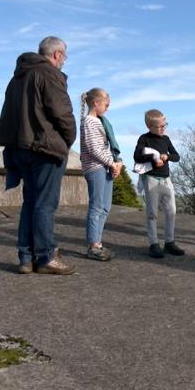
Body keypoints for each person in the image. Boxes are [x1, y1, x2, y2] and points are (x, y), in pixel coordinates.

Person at [0, 36, 76, 275]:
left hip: (20, 148)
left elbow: (7, 114)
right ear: (57, 54)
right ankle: (47, 256)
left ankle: (26, 258)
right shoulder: (48, 74)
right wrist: (67, 141)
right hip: (44, 149)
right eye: (65, 56)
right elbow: (62, 114)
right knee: (45, 205)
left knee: (30, 203)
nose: (64, 61)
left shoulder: (17, 77)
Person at [133, 109, 185, 259]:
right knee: (152, 213)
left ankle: (169, 242)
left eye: (165, 125)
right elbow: (137, 156)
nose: (163, 128)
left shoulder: (166, 139)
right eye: (160, 126)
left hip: (166, 179)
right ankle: (154, 244)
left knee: (171, 211)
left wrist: (166, 156)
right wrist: (153, 157)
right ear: (150, 126)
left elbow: (176, 156)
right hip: (150, 179)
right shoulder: (144, 138)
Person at [80, 88, 123, 261]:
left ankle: (98, 242)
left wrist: (115, 164)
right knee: (97, 206)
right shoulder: (90, 122)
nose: (107, 108)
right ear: (95, 103)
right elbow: (95, 149)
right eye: (106, 104)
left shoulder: (99, 121)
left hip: (105, 167)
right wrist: (113, 163)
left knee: (105, 207)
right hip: (96, 168)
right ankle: (93, 245)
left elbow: (103, 147)